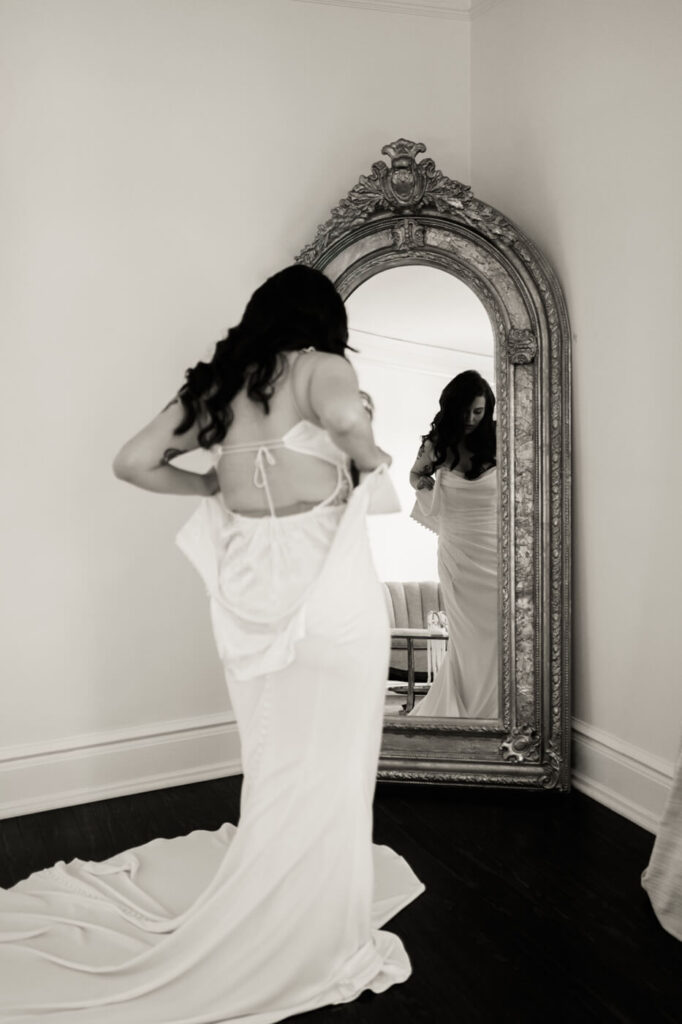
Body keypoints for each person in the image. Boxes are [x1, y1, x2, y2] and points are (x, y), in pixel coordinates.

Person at [0, 265, 424, 1023]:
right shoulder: (325, 367)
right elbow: (349, 425)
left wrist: (206, 485)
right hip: (329, 603)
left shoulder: (217, 389)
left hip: (248, 597)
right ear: (320, 321)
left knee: (274, 761)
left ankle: (276, 890)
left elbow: (130, 460)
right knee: (337, 761)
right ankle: (314, 925)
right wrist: (366, 449)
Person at [408, 369, 499, 719]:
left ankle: (496, 710)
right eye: (466, 411)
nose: (472, 419)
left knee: (500, 633)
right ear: (452, 407)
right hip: (458, 556)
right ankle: (465, 712)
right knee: (468, 639)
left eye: (479, 411)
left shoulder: (498, 442)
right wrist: (425, 486)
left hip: (496, 553)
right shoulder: (436, 446)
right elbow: (415, 474)